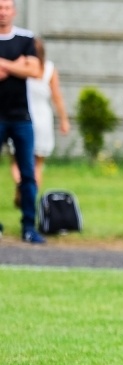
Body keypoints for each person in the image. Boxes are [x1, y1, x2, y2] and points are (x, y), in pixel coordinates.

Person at [0, 0, 45, 244]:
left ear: (14, 11)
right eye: (0, 7)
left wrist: (4, 64)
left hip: (21, 118)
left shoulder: (26, 38)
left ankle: (29, 226)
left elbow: (35, 70)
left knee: (27, 173)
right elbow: (25, 68)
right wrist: (18, 65)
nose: (3, 12)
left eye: (7, 8)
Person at [10, 37, 70, 203]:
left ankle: (21, 182)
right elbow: (57, 97)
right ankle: (31, 195)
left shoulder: (19, 67)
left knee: (16, 160)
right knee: (37, 164)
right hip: (43, 119)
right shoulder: (49, 69)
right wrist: (64, 119)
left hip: (21, 116)